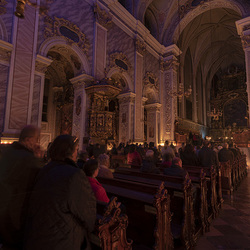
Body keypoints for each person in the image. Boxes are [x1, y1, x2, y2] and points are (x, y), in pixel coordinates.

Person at [23, 135, 96, 250]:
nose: (77, 154)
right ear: (71, 153)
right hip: (62, 241)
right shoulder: (75, 175)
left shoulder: (44, 170)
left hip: (38, 238)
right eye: (76, 150)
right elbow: (88, 216)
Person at [0, 125, 42, 249]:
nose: (37, 142)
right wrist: (38, 159)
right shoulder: (28, 159)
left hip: (3, 210)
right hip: (17, 217)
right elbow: (38, 182)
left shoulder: (7, 152)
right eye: (36, 139)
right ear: (28, 140)